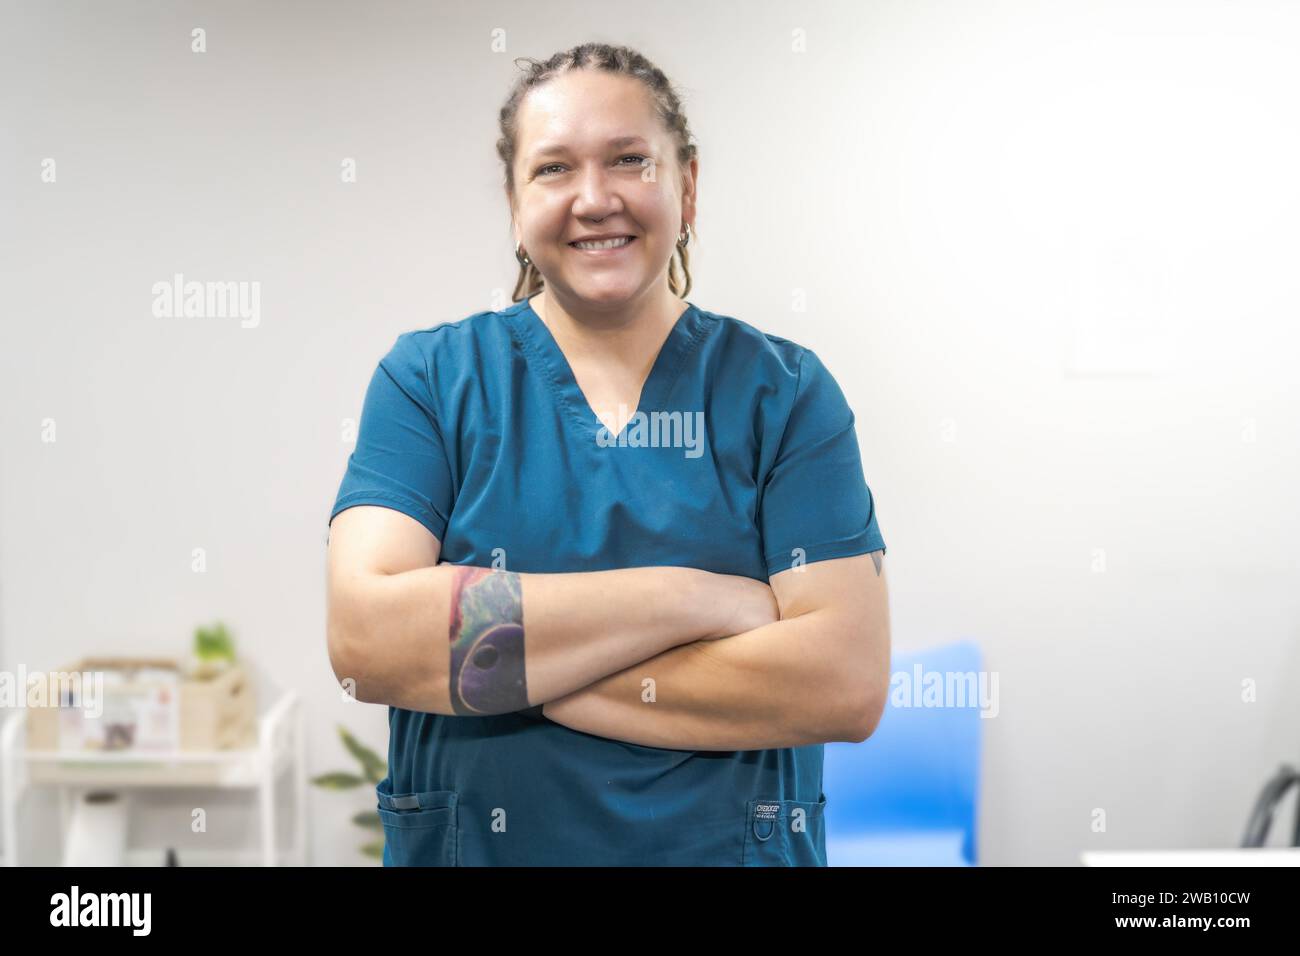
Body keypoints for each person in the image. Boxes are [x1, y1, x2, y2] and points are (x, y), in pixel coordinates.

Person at [325, 42, 890, 866]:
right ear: (516, 205)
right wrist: (693, 600)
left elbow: (842, 680)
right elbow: (370, 640)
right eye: (554, 169)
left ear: (686, 185)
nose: (595, 199)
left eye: (630, 160)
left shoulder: (785, 395)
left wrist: (503, 665)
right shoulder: (430, 383)